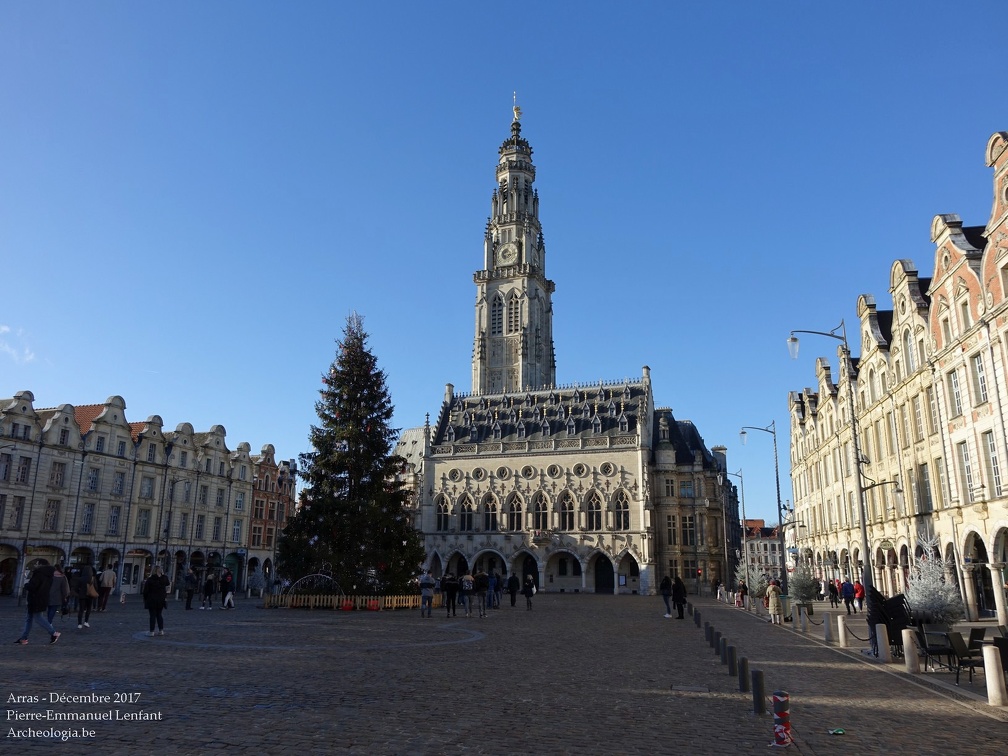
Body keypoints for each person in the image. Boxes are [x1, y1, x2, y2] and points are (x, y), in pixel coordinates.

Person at [14, 561, 61, 645]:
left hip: (35, 599)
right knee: (29, 618)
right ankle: (24, 638)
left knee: (38, 617)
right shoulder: (49, 576)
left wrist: (26, 585)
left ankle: (53, 633)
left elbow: (33, 587)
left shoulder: (38, 575)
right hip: (42, 599)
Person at [143, 566, 170, 636]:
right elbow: (168, 584)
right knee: (159, 615)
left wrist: (145, 599)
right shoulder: (164, 578)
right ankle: (161, 630)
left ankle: (152, 631)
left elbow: (145, 591)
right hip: (161, 599)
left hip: (152, 599)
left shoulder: (150, 579)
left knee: (152, 615)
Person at [73, 564, 97, 629]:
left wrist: (79, 592)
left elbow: (76, 588)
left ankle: (79, 623)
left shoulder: (80, 579)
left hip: (82, 595)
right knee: (88, 609)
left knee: (81, 609)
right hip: (90, 595)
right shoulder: (92, 578)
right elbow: (96, 587)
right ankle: (86, 621)